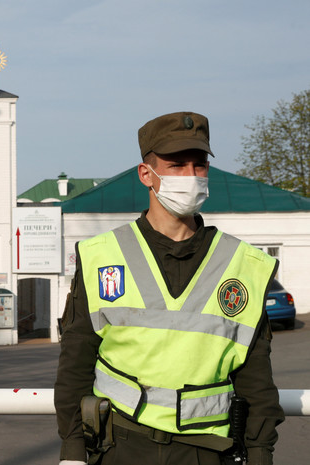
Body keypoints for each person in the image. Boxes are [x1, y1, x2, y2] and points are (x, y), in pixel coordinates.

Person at [54, 112, 284, 465]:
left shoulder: (244, 264)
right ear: (147, 174)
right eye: (177, 165)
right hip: (120, 446)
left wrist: (260, 454)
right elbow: (75, 364)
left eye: (199, 165)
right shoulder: (101, 256)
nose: (191, 177)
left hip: (208, 451)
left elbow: (257, 381)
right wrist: (72, 451)